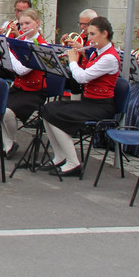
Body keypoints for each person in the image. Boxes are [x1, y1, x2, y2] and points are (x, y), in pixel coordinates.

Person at [40, 16, 120, 177]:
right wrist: (76, 58)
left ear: (104, 34)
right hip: (89, 102)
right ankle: (60, 156)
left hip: (101, 106)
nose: (89, 39)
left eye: (92, 34)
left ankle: (73, 163)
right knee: (47, 109)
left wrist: (72, 61)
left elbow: (83, 78)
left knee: (56, 115)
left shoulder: (110, 58)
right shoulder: (97, 52)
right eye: (88, 34)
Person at [1, 8, 49, 157]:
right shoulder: (20, 42)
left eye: (28, 23)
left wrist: (7, 51)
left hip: (34, 91)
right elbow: (11, 67)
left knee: (7, 113)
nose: (24, 27)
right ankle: (9, 144)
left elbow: (22, 70)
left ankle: (10, 141)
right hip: (19, 87)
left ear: (37, 23)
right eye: (21, 24)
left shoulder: (41, 46)